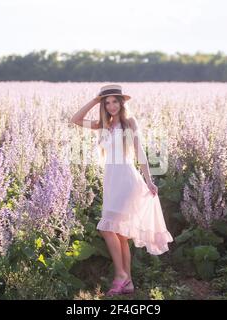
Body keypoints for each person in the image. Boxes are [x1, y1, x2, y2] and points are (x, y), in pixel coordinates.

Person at [70, 84, 173, 297]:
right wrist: (95, 100)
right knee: (119, 233)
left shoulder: (129, 122)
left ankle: (120, 275)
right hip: (111, 181)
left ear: (121, 102)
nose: (111, 106)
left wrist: (149, 180)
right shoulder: (102, 124)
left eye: (114, 101)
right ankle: (129, 283)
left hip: (126, 180)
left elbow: (140, 153)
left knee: (107, 228)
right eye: (107, 102)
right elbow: (76, 119)